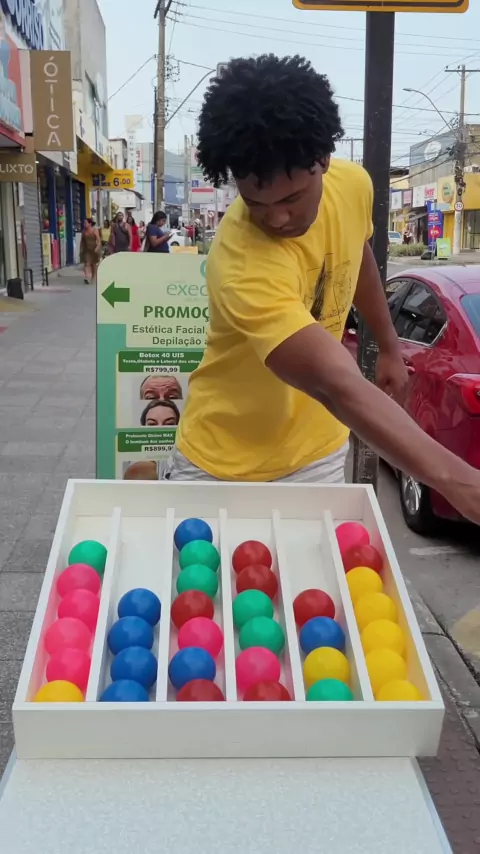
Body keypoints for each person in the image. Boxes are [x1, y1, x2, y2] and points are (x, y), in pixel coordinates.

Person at [166, 54, 480, 525]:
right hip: (219, 465)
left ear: (324, 162)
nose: (277, 218)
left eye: (291, 198)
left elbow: (357, 256)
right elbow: (335, 384)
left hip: (317, 457)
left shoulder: (352, 184)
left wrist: (389, 345)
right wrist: (461, 483)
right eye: (256, 203)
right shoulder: (242, 263)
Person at [79, 218, 101, 284]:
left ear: (90, 223)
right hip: (86, 249)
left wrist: (97, 247)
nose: (84, 224)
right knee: (87, 263)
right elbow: (82, 241)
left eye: (86, 223)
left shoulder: (95, 230)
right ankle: (87, 277)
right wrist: (81, 249)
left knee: (93, 264)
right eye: (84, 223)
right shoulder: (84, 232)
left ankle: (93, 277)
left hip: (94, 249)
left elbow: (98, 240)